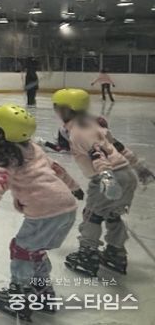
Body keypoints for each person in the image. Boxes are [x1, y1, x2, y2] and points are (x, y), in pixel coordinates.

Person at [0, 104, 81, 321]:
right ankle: (43, 292)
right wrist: (74, 187)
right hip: (67, 208)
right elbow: (57, 169)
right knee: (36, 250)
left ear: (2, 133)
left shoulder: (7, 157)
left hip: (45, 212)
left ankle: (21, 294)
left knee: (22, 250)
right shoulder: (34, 148)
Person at [52, 89, 154, 277]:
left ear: (67, 109)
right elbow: (117, 145)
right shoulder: (93, 124)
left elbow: (97, 154)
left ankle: (87, 255)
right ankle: (116, 253)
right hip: (127, 174)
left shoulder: (78, 132)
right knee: (113, 215)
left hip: (108, 177)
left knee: (92, 215)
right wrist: (138, 166)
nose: (56, 111)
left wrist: (107, 178)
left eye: (57, 107)